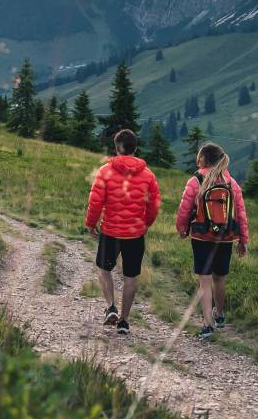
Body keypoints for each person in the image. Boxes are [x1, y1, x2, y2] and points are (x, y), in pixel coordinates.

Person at [85, 127, 160, 336]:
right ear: (135, 148)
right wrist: (146, 224)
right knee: (130, 277)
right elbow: (154, 205)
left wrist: (91, 224)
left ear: (117, 148)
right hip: (135, 235)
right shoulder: (148, 175)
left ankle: (111, 307)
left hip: (110, 232)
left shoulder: (105, 171)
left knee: (104, 269)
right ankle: (124, 322)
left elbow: (95, 202)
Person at [174, 140, 248, 338]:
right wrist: (243, 240)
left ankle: (207, 325)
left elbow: (184, 209)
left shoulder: (196, 181)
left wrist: (182, 228)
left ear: (204, 159)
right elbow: (241, 214)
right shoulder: (231, 183)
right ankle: (220, 316)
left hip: (201, 235)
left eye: (200, 157)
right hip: (225, 237)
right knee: (220, 278)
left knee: (204, 281)